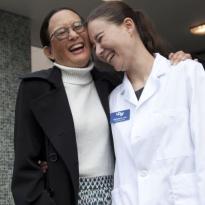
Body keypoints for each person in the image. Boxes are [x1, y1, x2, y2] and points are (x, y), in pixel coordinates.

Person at [11, 6, 194, 205]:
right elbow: (26, 170)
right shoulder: (36, 89)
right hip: (66, 197)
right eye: (62, 32)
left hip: (122, 193)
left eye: (78, 26)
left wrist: (176, 62)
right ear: (49, 52)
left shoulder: (113, 83)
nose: (73, 34)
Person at [87, 1, 205, 205]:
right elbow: (123, 169)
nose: (97, 51)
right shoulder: (115, 98)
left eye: (100, 38)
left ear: (128, 26)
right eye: (94, 46)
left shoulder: (186, 75)